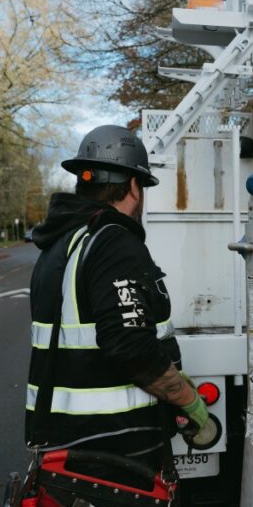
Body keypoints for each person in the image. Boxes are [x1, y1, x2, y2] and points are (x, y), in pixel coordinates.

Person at [26, 124, 217, 464]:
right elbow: (131, 347)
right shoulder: (113, 242)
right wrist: (187, 399)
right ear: (133, 185)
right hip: (117, 450)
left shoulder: (59, 246)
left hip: (67, 445)